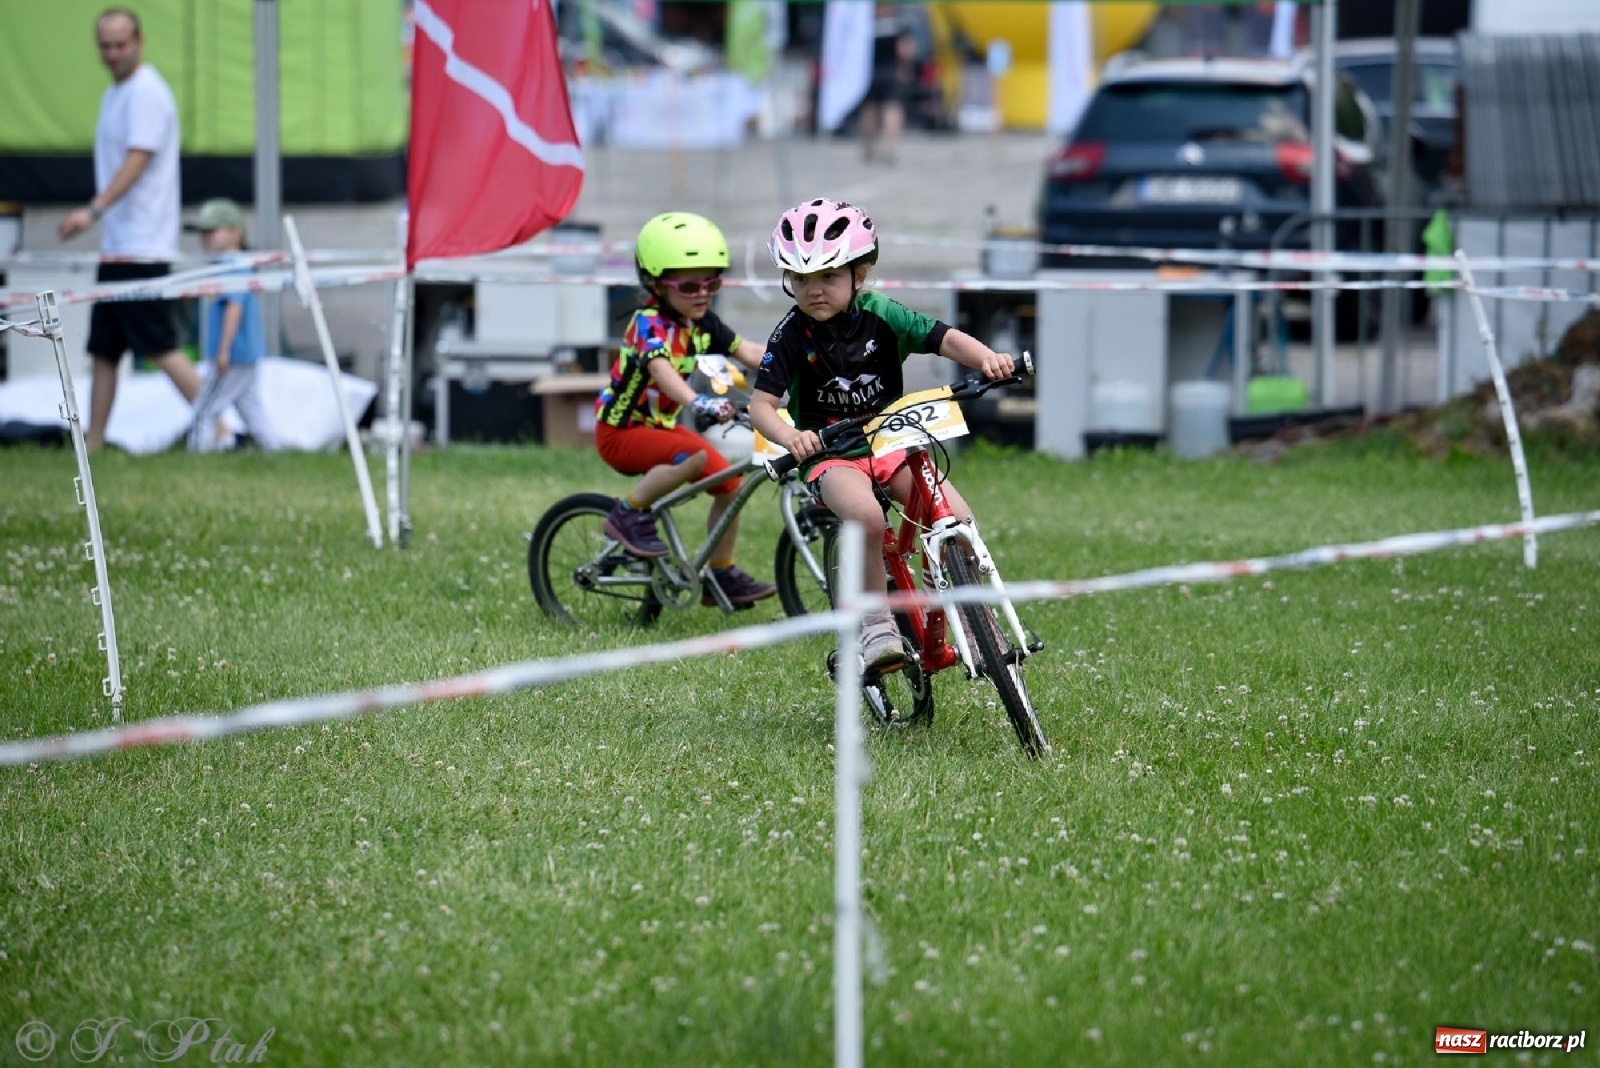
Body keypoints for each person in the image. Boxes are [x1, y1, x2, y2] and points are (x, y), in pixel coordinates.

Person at [747, 198, 1014, 671]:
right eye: (801, 279)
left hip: (891, 440)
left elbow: (942, 337)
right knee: (869, 518)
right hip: (831, 456)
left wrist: (987, 359)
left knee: (956, 518)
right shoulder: (788, 335)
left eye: (829, 276)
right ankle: (875, 625)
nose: (814, 290)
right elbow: (761, 406)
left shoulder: (883, 314)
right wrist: (792, 439)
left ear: (860, 275)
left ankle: (964, 611)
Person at [594, 212, 777, 609]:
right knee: (693, 456)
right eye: (691, 284)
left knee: (729, 484)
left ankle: (720, 574)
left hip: (659, 429)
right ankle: (627, 514)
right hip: (620, 431)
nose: (703, 293)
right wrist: (697, 401)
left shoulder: (702, 323)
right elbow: (661, 372)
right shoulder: (647, 323)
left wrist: (799, 362)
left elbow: (747, 353)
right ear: (656, 284)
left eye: (712, 282)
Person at [57, 6, 200, 452]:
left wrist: (92, 211)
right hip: (119, 246)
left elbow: (137, 161)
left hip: (143, 246)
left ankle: (222, 427)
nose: (113, 54)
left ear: (139, 41)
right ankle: (94, 441)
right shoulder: (115, 94)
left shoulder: (146, 93)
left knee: (160, 346)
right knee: (105, 348)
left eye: (121, 45)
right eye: (105, 46)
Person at [184, 198, 281, 453]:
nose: (205, 239)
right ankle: (277, 452)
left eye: (211, 232)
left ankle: (196, 457)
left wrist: (223, 351)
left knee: (204, 408)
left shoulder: (233, 265)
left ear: (236, 233)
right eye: (202, 233)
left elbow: (234, 307)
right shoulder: (235, 265)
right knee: (252, 410)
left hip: (234, 354)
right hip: (246, 354)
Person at [859, 3, 915, 164]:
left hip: (868, 72)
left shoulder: (865, 25)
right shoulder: (898, 25)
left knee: (869, 109)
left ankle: (869, 147)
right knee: (892, 109)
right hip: (891, 71)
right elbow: (904, 51)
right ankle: (890, 148)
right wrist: (907, 69)